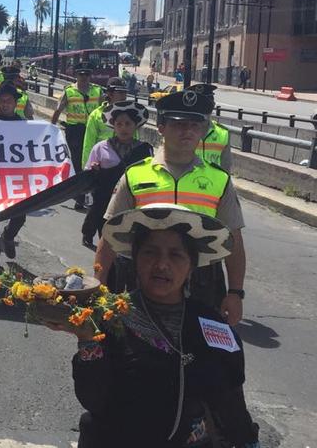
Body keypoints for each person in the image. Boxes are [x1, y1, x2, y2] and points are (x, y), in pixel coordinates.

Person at [47, 204, 260, 448]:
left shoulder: (212, 326)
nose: (161, 264)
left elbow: (231, 401)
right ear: (135, 260)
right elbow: (94, 399)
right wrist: (86, 338)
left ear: (191, 265)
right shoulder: (109, 316)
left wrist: (248, 442)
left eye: (175, 255)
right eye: (150, 253)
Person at [94, 89, 247, 326]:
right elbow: (110, 235)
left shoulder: (220, 180)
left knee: (199, 354)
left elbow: (234, 239)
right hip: (143, 276)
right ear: (161, 127)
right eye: (178, 124)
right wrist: (99, 285)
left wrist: (236, 293)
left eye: (195, 125)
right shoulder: (135, 175)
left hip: (202, 282)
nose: (187, 131)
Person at [81, 101, 153, 249]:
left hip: (131, 202)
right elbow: (87, 173)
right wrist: (93, 170)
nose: (123, 128)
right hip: (104, 201)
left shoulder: (144, 150)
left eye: (128, 124)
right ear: (113, 126)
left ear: (136, 125)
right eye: (119, 124)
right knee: (106, 241)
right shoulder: (100, 148)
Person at [0, 81, 29, 272]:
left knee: (20, 216)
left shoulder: (24, 125)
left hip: (15, 179)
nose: (4, 104)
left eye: (8, 101)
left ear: (15, 103)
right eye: (1, 101)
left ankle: (9, 236)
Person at [51, 65, 103, 210]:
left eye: (86, 75)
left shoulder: (97, 91)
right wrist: (51, 128)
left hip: (93, 130)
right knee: (78, 163)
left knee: (94, 162)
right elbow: (58, 110)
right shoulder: (69, 91)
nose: (84, 78)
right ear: (77, 76)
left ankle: (93, 193)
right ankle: (79, 197)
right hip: (75, 131)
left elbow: (105, 110)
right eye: (81, 75)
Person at [81, 77, 130, 167]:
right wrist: (87, 168)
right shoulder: (96, 115)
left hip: (124, 163)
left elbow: (135, 139)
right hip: (102, 165)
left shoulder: (130, 116)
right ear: (110, 94)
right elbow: (88, 144)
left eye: (125, 92)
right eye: (120, 93)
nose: (124, 96)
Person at [189, 84, 232, 171]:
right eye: (199, 104)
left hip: (216, 184)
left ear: (213, 105)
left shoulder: (223, 133)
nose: (203, 108)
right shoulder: (181, 132)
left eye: (207, 104)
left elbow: (226, 169)